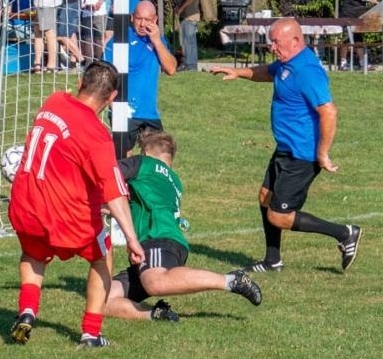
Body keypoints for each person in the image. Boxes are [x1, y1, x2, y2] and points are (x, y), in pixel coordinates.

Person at [207, 17, 363, 274]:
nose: (272, 47)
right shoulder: (286, 63)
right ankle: (272, 261)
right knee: (265, 198)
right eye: (271, 41)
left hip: (302, 154)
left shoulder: (307, 71)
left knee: (279, 215)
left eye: (276, 42)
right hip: (285, 148)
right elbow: (269, 72)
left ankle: (345, 233)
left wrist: (322, 153)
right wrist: (239, 72)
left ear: (295, 40)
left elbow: (329, 111)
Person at [8, 61, 145, 348]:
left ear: (81, 83)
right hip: (65, 216)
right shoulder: (97, 135)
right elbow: (114, 193)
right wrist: (132, 239)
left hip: (25, 205)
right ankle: (91, 333)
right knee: (102, 256)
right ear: (112, 98)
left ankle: (28, 310)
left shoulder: (54, 101)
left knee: (33, 253)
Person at [103, 130, 263, 323]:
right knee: (101, 299)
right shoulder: (174, 181)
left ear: (145, 151)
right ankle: (155, 314)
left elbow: (108, 172)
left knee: (155, 282)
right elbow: (133, 204)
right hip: (171, 243)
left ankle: (231, 280)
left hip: (156, 237)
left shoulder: (144, 163)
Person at [124, 0, 177, 139]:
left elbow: (171, 69)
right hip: (126, 111)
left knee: (160, 150)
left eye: (147, 20)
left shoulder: (157, 39)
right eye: (138, 18)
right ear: (132, 17)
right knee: (124, 152)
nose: (142, 24)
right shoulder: (121, 39)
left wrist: (157, 41)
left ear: (155, 20)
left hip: (150, 113)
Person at [337, 0, 376, 71]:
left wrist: (368, 0)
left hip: (357, 11)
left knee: (358, 37)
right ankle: (343, 63)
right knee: (347, 37)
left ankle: (363, 62)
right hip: (349, 11)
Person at [174, 0, 200, 71]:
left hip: (190, 15)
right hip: (188, 16)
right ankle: (188, 64)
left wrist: (182, 7)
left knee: (188, 41)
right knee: (185, 41)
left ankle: (191, 65)